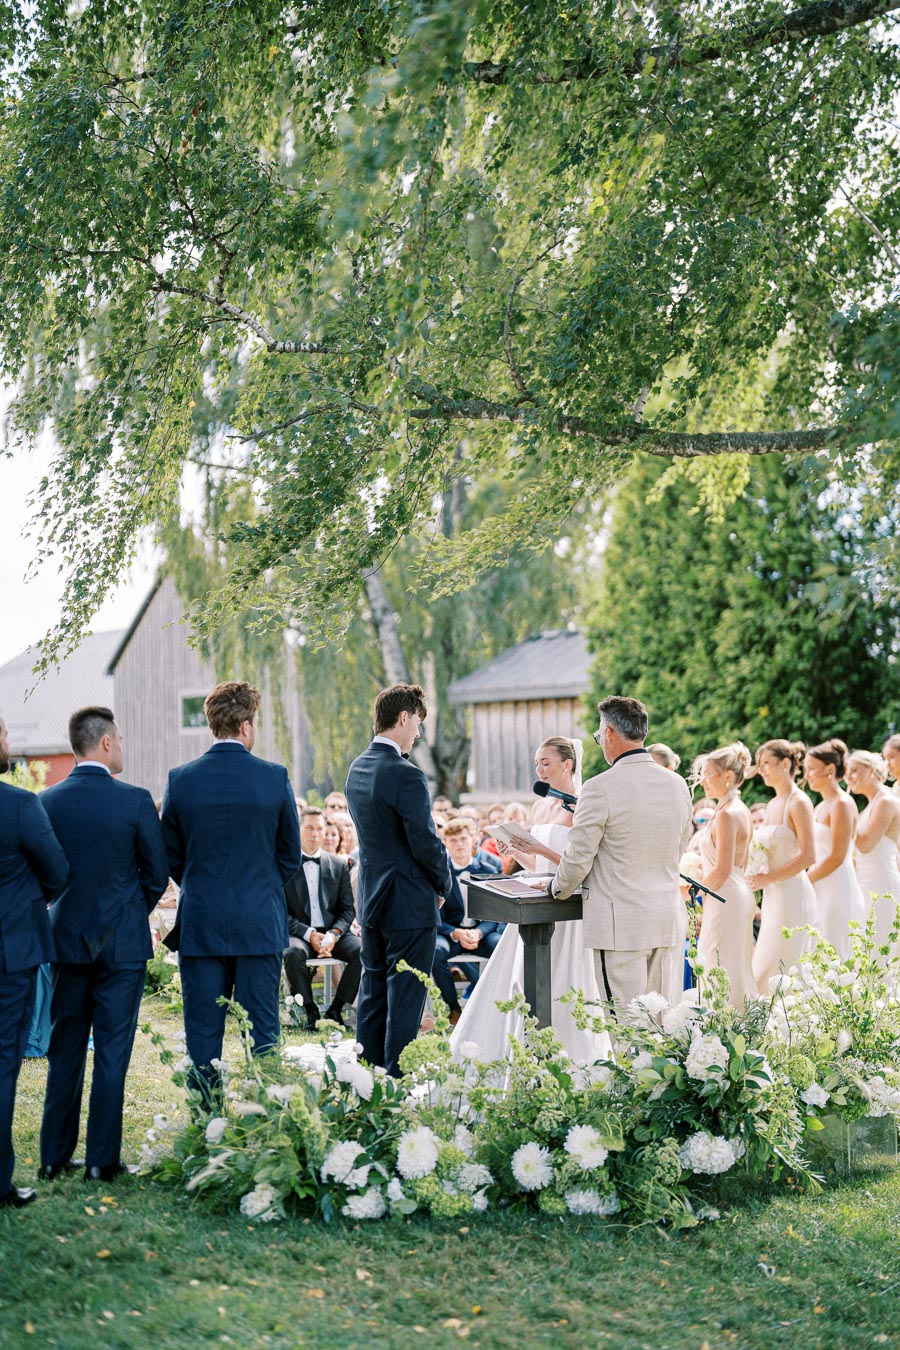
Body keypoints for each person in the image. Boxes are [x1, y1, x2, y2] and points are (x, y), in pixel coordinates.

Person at [39, 706, 169, 1182]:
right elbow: (156, 874)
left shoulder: (48, 801)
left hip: (66, 941)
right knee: (113, 1052)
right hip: (122, 945)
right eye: (122, 739)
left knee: (65, 1049)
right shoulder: (135, 801)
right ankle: (100, 1162)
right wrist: (131, 910)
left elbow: (44, 874)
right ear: (107, 743)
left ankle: (53, 1158)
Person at [161, 681, 301, 1102]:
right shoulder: (274, 777)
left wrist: (202, 886)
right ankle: (268, 1128)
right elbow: (289, 855)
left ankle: (205, 1127)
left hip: (201, 923)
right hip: (258, 922)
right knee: (264, 1033)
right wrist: (257, 887)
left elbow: (171, 855)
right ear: (245, 726)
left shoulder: (181, 779)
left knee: (202, 1034)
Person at [450, 735, 611, 1063]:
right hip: (534, 899)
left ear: (567, 764)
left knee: (565, 983)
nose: (539, 769)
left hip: (566, 903)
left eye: (546, 763)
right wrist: (516, 852)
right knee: (520, 982)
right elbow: (538, 865)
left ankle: (569, 1054)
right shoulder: (539, 805)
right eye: (537, 763)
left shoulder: (582, 805)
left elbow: (576, 863)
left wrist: (537, 849)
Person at [549, 697, 693, 1012]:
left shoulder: (600, 787)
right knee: (661, 1022)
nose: (600, 743)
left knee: (626, 1027)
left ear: (611, 733)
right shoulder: (678, 784)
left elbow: (578, 855)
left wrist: (556, 888)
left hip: (619, 925)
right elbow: (680, 845)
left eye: (600, 736)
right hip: (666, 918)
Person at [345, 683, 451, 1076]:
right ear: (403, 718)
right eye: (418, 723)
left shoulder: (357, 767)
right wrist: (445, 885)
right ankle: (395, 1081)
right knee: (406, 997)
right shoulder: (406, 774)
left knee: (373, 993)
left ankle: (365, 1076)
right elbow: (425, 842)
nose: (418, 733)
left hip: (371, 897)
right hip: (408, 901)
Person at [0, 714, 68, 1208]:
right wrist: (30, 901)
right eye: (4, 734)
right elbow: (58, 871)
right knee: (4, 1062)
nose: (9, 742)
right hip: (11, 952)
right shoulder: (20, 805)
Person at [746, 740, 817, 992]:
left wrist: (769, 877)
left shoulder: (798, 802)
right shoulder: (774, 803)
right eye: (760, 763)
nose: (761, 769)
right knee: (767, 958)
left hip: (793, 894)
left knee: (787, 960)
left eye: (766, 763)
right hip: (773, 895)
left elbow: (809, 855)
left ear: (785, 763)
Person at [283, 806, 361, 1029]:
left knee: (362, 950)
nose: (315, 834)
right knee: (292, 952)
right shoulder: (285, 865)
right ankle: (310, 1010)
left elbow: (347, 910)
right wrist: (310, 934)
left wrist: (333, 935)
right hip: (299, 932)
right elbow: (280, 912)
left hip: (331, 931)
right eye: (309, 828)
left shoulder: (337, 864)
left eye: (319, 828)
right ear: (298, 830)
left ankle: (337, 1009)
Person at [692, 743, 757, 1008]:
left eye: (709, 774)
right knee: (730, 963)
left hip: (724, 894)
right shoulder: (735, 808)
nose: (703, 780)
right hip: (734, 891)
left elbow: (722, 868)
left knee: (717, 961)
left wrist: (694, 892)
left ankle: (723, 1028)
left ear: (728, 776)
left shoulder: (729, 814)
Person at [432, 818, 502, 1023]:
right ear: (445, 842)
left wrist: (479, 933)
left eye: (463, 839)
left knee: (500, 946)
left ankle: (493, 1005)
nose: (459, 844)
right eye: (453, 840)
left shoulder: (488, 870)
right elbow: (435, 915)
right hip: (451, 933)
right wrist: (457, 933)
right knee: (435, 951)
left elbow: (495, 913)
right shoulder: (438, 873)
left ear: (473, 840)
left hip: (481, 933)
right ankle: (454, 1008)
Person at [805, 740, 865, 959]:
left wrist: (806, 880)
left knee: (835, 952)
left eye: (812, 768)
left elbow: (837, 856)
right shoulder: (820, 806)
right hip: (820, 886)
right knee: (817, 951)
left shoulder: (842, 804)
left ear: (830, 769)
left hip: (837, 887)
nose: (807, 774)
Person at [847, 749, 900, 957]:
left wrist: (847, 812)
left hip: (881, 881)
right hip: (865, 880)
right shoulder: (873, 803)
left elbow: (867, 844)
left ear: (871, 771)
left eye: (854, 771)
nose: (849, 777)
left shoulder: (886, 801)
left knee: (879, 944)